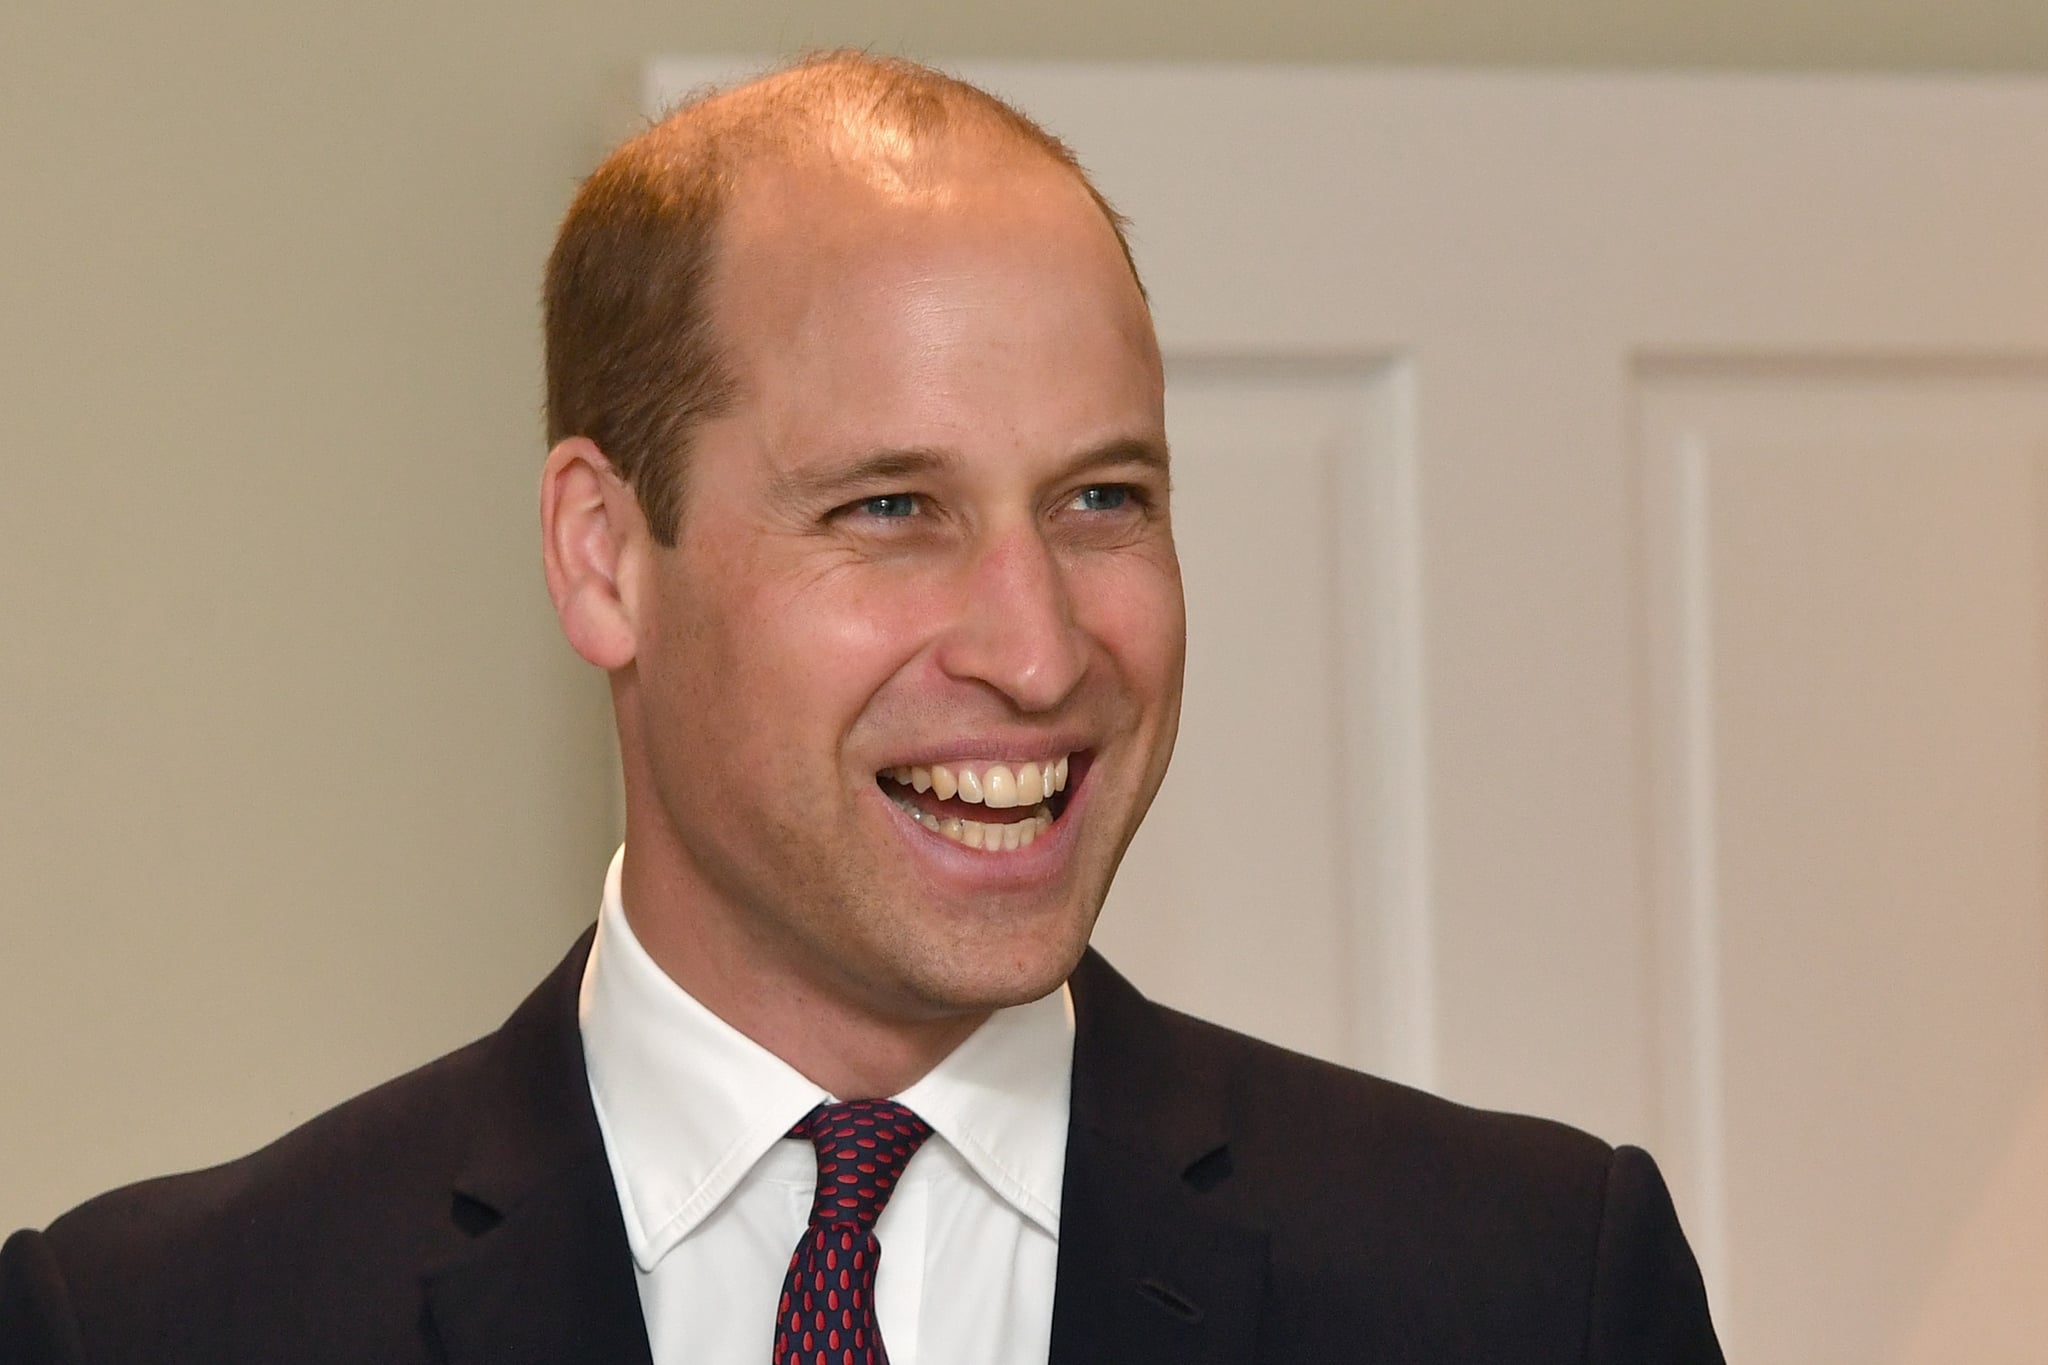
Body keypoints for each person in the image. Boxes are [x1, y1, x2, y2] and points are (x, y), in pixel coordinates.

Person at [0, 52, 1723, 1363]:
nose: (1039, 651)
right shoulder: (159, 1323)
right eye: (892, 508)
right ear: (605, 555)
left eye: (1102, 499)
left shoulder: (1526, 1292)